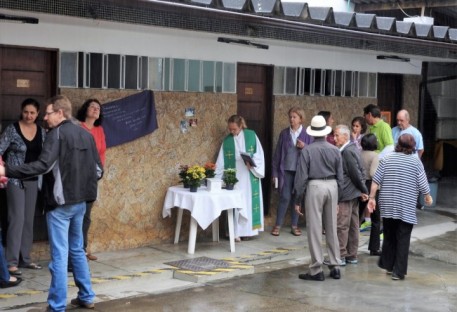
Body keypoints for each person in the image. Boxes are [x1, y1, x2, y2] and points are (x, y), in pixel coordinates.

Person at [0, 95, 102, 311]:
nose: (44, 118)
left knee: (60, 254)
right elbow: (98, 171)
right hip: (81, 203)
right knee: (77, 250)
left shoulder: (56, 135)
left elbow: (41, 166)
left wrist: (7, 170)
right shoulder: (86, 134)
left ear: (60, 113)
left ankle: (56, 306)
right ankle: (87, 296)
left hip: (61, 205)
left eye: (47, 113)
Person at [367, 133, 432, 281]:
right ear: (412, 146)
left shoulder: (387, 159)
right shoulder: (416, 162)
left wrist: (371, 198)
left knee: (389, 235)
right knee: (403, 238)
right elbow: (423, 184)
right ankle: (398, 271)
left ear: (398, 144)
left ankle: (389, 265)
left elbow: (375, 181)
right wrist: (428, 196)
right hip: (406, 207)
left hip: (388, 205)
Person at [293, 115, 344, 281]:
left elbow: (301, 177)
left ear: (312, 133)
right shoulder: (335, 149)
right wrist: (339, 199)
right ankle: (335, 265)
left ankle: (316, 269)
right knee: (331, 227)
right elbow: (341, 176)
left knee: (315, 228)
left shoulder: (307, 150)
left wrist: (297, 200)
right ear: (325, 132)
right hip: (333, 186)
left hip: (315, 186)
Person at [0, 98, 46, 276]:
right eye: (26, 112)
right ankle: (11, 262)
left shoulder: (42, 132)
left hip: (33, 179)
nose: (29, 115)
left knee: (28, 220)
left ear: (38, 114)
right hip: (13, 180)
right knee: (16, 219)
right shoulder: (12, 129)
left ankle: (25, 259)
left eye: (32, 113)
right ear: (21, 111)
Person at [215, 115, 265, 241]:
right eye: (230, 129)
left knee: (248, 202)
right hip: (234, 176)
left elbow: (259, 154)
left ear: (241, 126)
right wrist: (216, 178)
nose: (232, 132)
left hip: (249, 174)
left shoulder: (251, 135)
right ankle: (235, 232)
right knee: (236, 203)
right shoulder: (227, 141)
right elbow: (220, 161)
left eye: (234, 129)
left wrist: (252, 163)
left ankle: (248, 231)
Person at [271, 107, 313, 237]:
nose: (292, 119)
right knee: (285, 197)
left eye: (294, 117)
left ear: (301, 119)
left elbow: (313, 152)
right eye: (290, 117)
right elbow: (277, 154)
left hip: (301, 172)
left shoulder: (308, 134)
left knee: (297, 198)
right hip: (286, 171)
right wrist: (275, 173)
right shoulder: (284, 133)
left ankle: (294, 225)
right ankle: (278, 224)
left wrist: (305, 147)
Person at [76, 99, 106, 261]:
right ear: (85, 109)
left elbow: (102, 153)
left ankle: (82, 249)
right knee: (76, 214)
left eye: (98, 108)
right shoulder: (78, 128)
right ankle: (73, 251)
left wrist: (100, 172)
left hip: (92, 179)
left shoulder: (99, 130)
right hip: (77, 178)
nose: (95, 109)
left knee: (86, 215)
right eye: (92, 107)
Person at [333, 125, 368, 265]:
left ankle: (341, 255)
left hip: (347, 194)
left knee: (342, 225)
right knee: (353, 225)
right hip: (353, 193)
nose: (334, 138)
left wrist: (364, 190)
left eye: (337, 136)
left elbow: (355, 174)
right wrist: (362, 190)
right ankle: (352, 255)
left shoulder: (347, 152)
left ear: (345, 137)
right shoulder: (352, 149)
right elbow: (360, 172)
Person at [359, 134, 381, 256]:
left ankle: (349, 246)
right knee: (376, 219)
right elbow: (374, 174)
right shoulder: (375, 156)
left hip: (359, 186)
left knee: (356, 217)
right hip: (371, 187)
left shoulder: (359, 153)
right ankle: (374, 248)